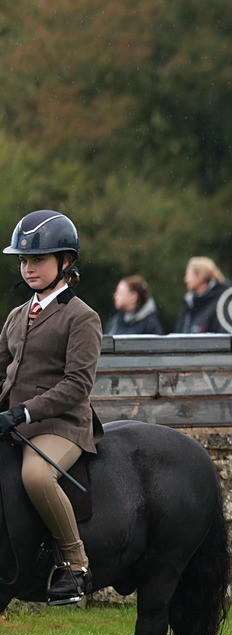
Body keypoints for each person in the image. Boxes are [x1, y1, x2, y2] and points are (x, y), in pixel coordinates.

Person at [0, 210, 104, 604]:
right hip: (17, 423)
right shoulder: (16, 316)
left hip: (62, 425)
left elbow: (77, 385)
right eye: (24, 260)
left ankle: (75, 567)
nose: (28, 268)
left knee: (37, 477)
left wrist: (22, 411)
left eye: (37, 260)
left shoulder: (82, 317)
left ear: (64, 262)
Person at [175, 256, 232, 334]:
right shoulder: (188, 306)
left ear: (200, 277)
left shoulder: (220, 306)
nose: (185, 279)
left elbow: (223, 341)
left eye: (188, 274)